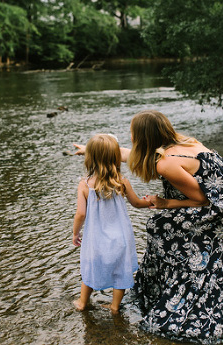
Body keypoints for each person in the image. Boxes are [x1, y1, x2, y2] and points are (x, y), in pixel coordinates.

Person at [75, 110, 223, 343]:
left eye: (132, 133)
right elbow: (128, 155)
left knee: (162, 228)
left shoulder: (165, 164)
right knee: (185, 235)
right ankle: (181, 282)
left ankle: (184, 290)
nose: (130, 138)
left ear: (143, 137)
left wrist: (164, 203)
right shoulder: (180, 142)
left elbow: (201, 200)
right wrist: (89, 150)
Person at [72, 134, 152, 314]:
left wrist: (75, 233)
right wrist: (152, 202)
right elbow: (137, 203)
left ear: (90, 158)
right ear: (116, 157)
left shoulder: (84, 185)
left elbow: (80, 214)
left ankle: (83, 302)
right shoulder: (121, 182)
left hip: (96, 239)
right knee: (120, 271)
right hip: (121, 237)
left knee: (91, 267)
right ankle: (115, 307)